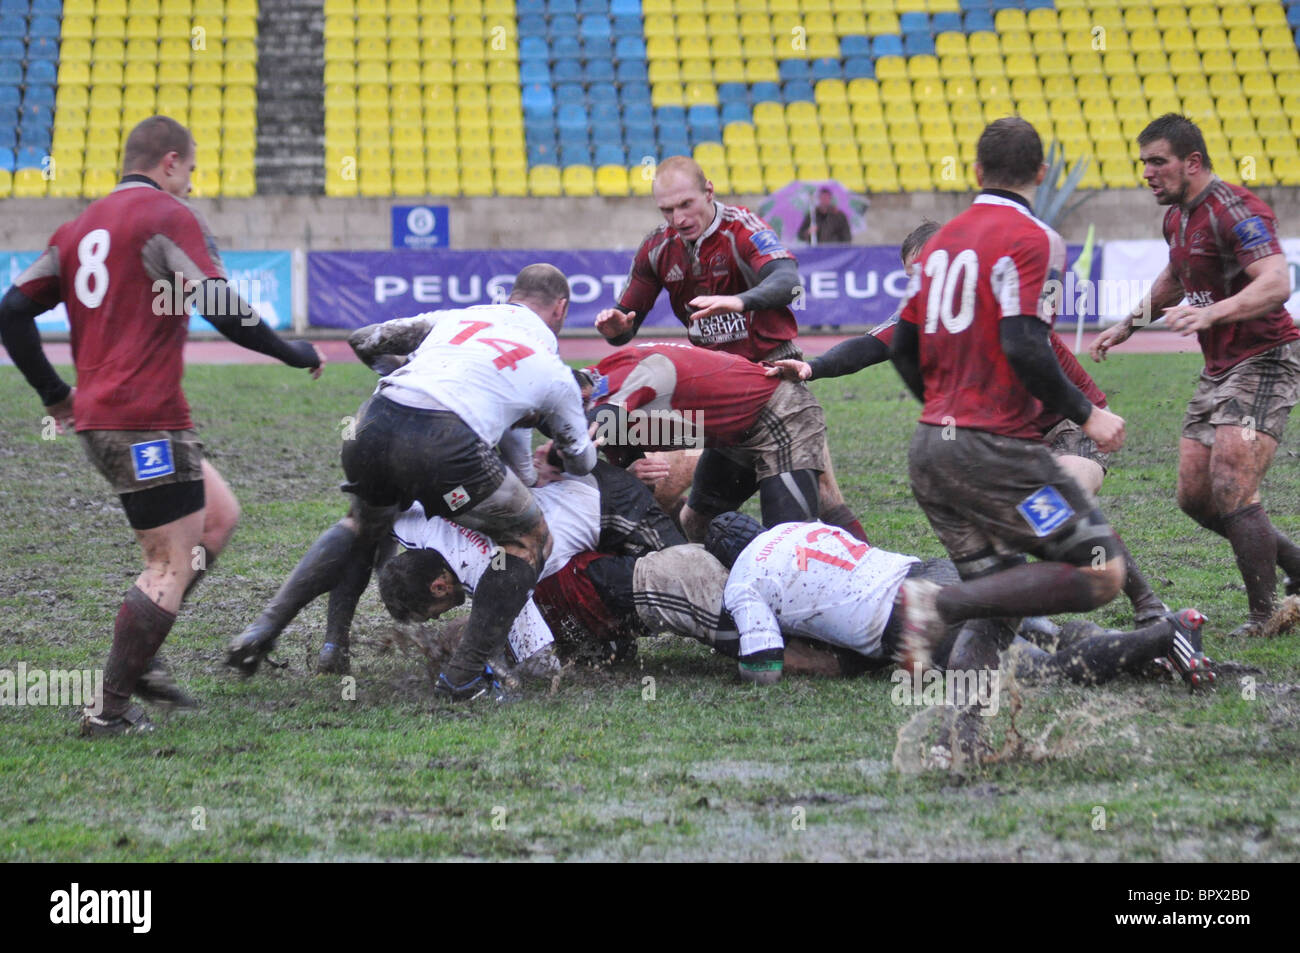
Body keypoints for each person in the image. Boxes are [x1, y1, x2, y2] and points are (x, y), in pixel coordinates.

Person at [0, 115, 325, 735]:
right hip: (144, 422)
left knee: (219, 517)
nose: (192, 187)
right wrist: (292, 351)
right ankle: (108, 709)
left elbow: (13, 310)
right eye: (191, 173)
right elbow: (219, 304)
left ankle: (142, 655)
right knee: (168, 564)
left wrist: (55, 394)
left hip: (108, 418)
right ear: (170, 161)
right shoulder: (167, 218)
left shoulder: (78, 228)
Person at [225, 264, 597, 703]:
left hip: (375, 420)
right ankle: (463, 676)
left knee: (361, 526)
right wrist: (556, 427)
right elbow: (580, 460)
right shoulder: (552, 371)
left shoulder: (463, 318)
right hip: (446, 443)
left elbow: (365, 339)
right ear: (561, 310)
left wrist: (411, 368)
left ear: (512, 298)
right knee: (529, 537)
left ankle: (267, 626)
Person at [770, 220, 1168, 624]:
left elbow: (1035, 361)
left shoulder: (999, 296)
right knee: (1012, 523)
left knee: (1052, 507)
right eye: (912, 277)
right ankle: (1017, 617)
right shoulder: (928, 312)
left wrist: (1087, 417)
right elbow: (870, 347)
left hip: (1068, 424)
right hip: (1006, 440)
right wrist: (811, 368)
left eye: (926, 271)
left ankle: (1147, 604)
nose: (921, 283)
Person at [888, 117, 1130, 676]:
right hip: (995, 455)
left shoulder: (941, 241)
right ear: (1042, 174)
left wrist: (943, 410)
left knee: (997, 600)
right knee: (1101, 569)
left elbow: (902, 347)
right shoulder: (1036, 240)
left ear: (977, 171)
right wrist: (1088, 414)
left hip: (931, 452)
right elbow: (1025, 344)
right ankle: (934, 603)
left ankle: (960, 735)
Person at [531, 511, 1215, 691]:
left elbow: (763, 664)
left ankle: (1160, 638)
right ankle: (1159, 637)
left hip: (909, 622)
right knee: (1037, 632)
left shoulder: (742, 580)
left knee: (1020, 675)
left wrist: (747, 658)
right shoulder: (798, 529)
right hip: (928, 567)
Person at [1091, 113, 1300, 636]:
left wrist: (1212, 312)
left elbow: (1276, 283)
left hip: (1266, 356)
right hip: (1219, 368)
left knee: (1232, 481)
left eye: (1157, 161)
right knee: (1196, 498)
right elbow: (1174, 278)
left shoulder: (1235, 210)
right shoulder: (1177, 217)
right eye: (1143, 163)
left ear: (1193, 162)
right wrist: (1129, 325)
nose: (1147, 172)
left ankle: (1266, 614)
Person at [592, 155, 867, 541]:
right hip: (717, 395)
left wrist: (740, 300)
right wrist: (618, 326)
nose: (678, 218)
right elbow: (625, 324)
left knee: (822, 503)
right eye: (667, 210)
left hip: (774, 382)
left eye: (686, 205)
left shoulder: (742, 229)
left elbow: (788, 281)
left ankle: (875, 580)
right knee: (696, 519)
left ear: (709, 192)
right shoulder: (657, 248)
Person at [580, 342, 829, 539]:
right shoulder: (600, 409)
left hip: (779, 411)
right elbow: (637, 487)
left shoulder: (621, 381)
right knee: (698, 525)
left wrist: (552, 461)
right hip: (732, 433)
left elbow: (579, 441)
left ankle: (860, 579)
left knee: (788, 539)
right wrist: (629, 473)